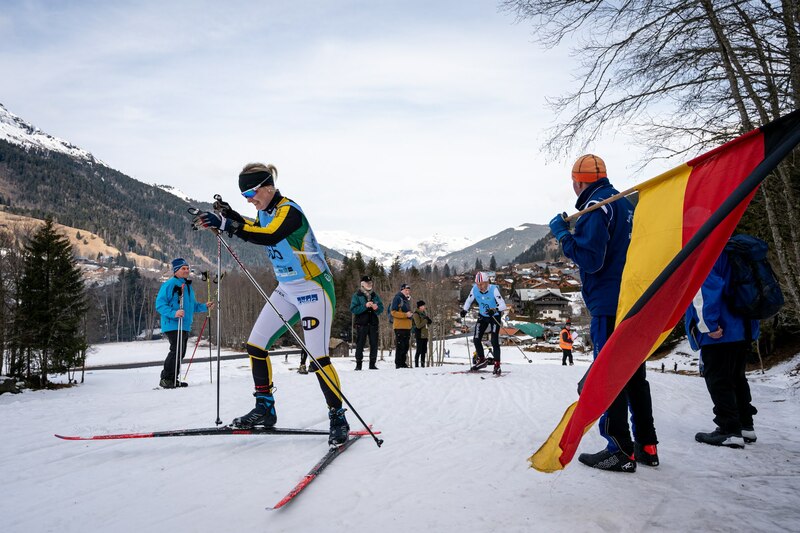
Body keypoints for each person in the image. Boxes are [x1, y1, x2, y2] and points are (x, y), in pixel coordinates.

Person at [192, 163, 349, 446]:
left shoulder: (290, 211)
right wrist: (231, 216)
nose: (249, 199)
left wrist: (227, 224)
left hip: (313, 288)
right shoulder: (264, 212)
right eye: (244, 196)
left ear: (267, 186)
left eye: (250, 193)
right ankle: (265, 408)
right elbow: (256, 227)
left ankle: (338, 417)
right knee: (256, 345)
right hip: (286, 289)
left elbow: (270, 235)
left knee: (318, 357)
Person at [549, 154, 658, 472]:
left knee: (609, 375)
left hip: (608, 304)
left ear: (578, 182)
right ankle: (646, 445)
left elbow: (591, 260)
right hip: (633, 299)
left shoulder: (595, 208)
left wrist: (563, 235)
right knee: (634, 376)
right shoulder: (623, 203)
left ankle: (619, 449)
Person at [685, 248, 759, 448]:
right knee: (736, 377)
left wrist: (708, 325)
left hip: (720, 329)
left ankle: (729, 429)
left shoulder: (708, 250)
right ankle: (745, 425)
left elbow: (705, 287)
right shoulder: (736, 250)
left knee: (718, 379)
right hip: (743, 326)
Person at [155, 258, 212, 388]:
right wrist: (174, 313)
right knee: (176, 350)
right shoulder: (170, 284)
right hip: (173, 323)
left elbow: (193, 306)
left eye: (187, 268)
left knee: (181, 352)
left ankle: (173, 379)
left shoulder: (187, 286)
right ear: (176, 270)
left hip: (184, 325)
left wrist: (205, 306)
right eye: (183, 269)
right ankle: (166, 379)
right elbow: (160, 304)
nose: (186, 271)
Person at [460, 272, 507, 375]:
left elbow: (503, 305)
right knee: (476, 339)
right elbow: (469, 300)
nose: (479, 286)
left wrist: (495, 309)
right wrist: (464, 310)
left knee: (494, 341)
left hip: (494, 316)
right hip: (483, 316)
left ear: (487, 282)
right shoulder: (475, 289)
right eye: (477, 284)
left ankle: (497, 365)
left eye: (481, 284)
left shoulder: (494, 289)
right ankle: (482, 360)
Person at [350, 275, 384, 370]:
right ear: (362, 284)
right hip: (361, 324)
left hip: (373, 323)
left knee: (374, 344)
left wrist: (376, 308)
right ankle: (358, 365)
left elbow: (381, 309)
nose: (370, 284)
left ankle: (372, 364)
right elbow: (353, 309)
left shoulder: (375, 295)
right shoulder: (357, 295)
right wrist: (365, 306)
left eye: (371, 283)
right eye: (367, 283)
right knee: (360, 344)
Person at [390, 283, 413, 368]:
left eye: (408, 290)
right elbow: (393, 312)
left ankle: (403, 363)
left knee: (406, 346)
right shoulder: (397, 298)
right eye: (406, 290)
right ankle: (398, 364)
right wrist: (405, 315)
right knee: (400, 346)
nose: (408, 292)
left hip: (407, 326)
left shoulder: (406, 300)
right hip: (399, 326)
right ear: (402, 290)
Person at [412, 300, 433, 367]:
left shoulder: (423, 313)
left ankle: (422, 365)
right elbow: (418, 325)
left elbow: (425, 324)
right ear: (420, 307)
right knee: (419, 351)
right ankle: (416, 365)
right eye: (423, 306)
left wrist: (428, 322)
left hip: (425, 334)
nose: (424, 307)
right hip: (419, 334)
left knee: (424, 351)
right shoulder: (416, 314)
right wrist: (426, 320)